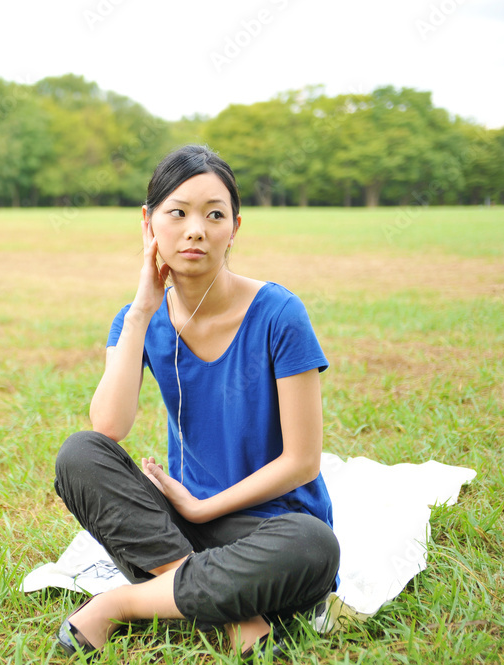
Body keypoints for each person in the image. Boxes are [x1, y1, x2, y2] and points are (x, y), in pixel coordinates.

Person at [53, 144, 340, 658]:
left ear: (234, 226)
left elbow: (302, 462)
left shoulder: (280, 313)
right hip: (181, 529)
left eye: (214, 215)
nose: (195, 230)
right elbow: (109, 426)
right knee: (79, 455)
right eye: (178, 213)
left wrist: (205, 506)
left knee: (315, 547)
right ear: (149, 223)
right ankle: (234, 607)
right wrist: (142, 311)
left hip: (270, 526)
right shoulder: (137, 319)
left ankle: (121, 604)